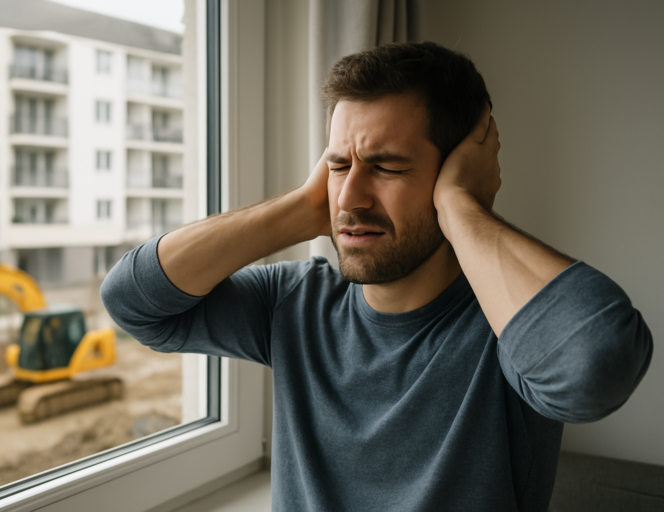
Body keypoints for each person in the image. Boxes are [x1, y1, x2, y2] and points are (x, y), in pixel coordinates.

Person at [100, 42, 653, 511]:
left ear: (457, 172)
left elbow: (595, 368)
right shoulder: (294, 301)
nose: (351, 198)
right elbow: (131, 303)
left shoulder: (505, 322)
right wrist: (303, 208)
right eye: (338, 166)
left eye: (387, 167)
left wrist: (461, 207)